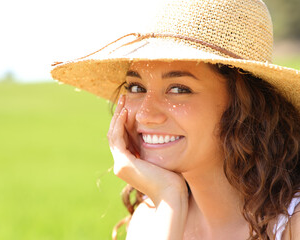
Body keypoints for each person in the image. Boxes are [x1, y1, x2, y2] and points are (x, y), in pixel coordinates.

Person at [51, 0, 300, 239]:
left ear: (245, 104)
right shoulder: (149, 220)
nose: (145, 114)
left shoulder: (292, 223)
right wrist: (169, 199)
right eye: (136, 87)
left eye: (179, 89)